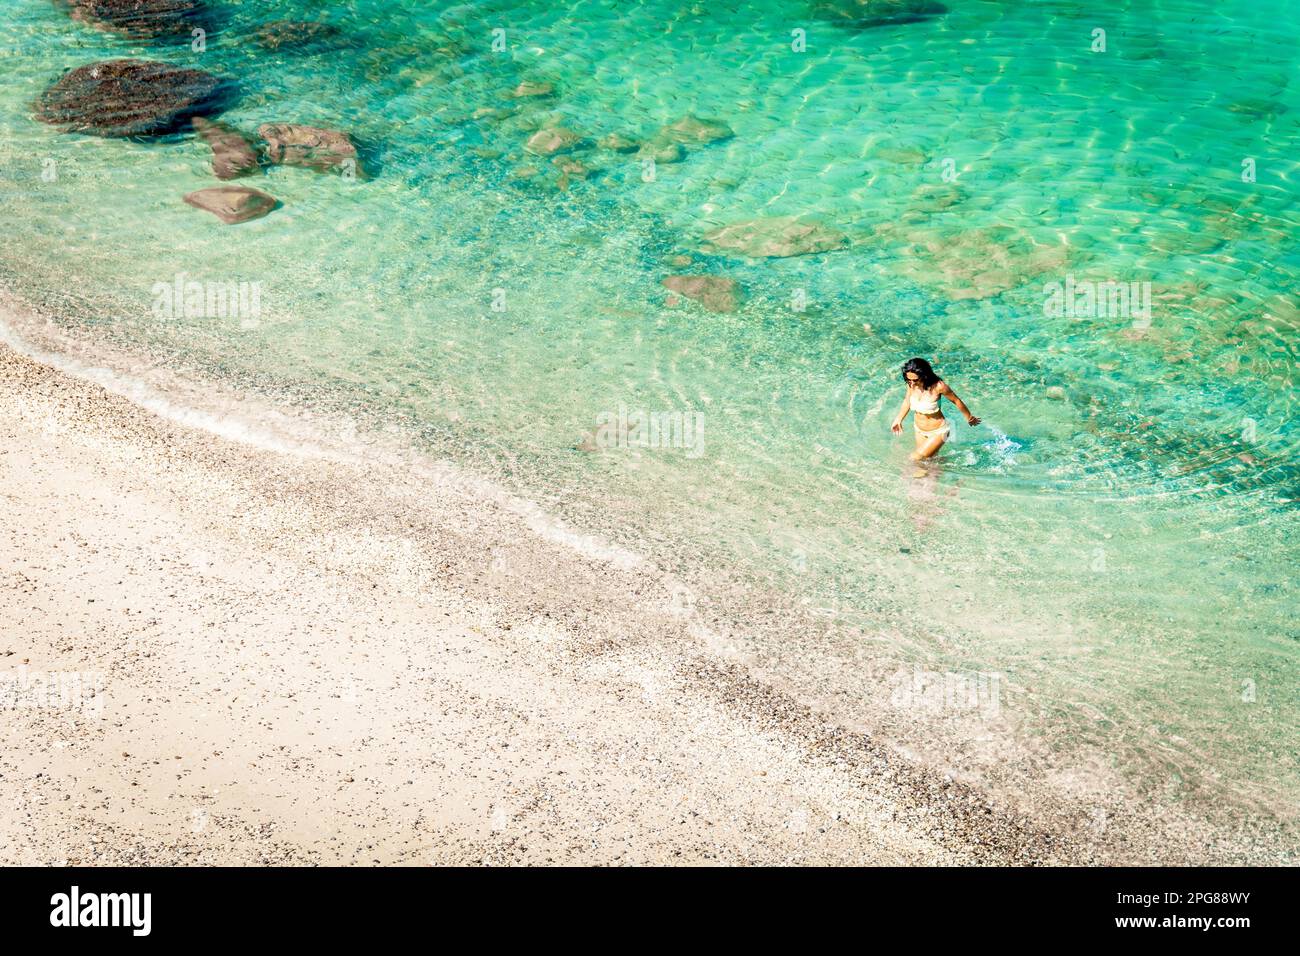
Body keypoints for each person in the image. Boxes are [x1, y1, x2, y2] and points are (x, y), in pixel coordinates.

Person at [890, 357, 980, 472]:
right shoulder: (911, 384)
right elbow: (907, 401)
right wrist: (898, 419)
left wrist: (969, 417)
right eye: (909, 380)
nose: (912, 383)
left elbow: (956, 401)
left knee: (915, 458)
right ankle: (936, 483)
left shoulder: (939, 386)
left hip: (940, 431)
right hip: (919, 429)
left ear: (924, 375)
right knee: (928, 462)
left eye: (915, 380)